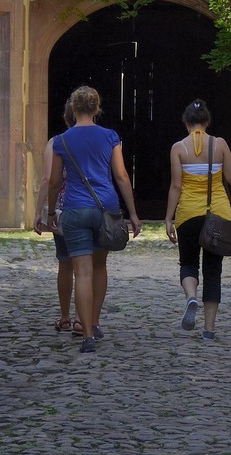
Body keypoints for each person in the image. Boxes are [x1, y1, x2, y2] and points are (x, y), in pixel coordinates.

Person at [47, 84, 141, 355]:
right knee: (100, 268)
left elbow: (54, 182)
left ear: (73, 109)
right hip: (105, 208)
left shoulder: (61, 141)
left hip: (75, 209)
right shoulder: (110, 136)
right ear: (97, 108)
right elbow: (122, 176)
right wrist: (133, 214)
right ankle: (96, 322)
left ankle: (86, 333)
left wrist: (51, 212)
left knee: (82, 272)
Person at [164, 98, 231, 340]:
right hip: (216, 215)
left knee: (188, 263)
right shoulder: (219, 144)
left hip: (187, 214)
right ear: (206, 122)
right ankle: (209, 330)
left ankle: (191, 297)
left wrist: (168, 218)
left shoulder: (178, 148)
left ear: (186, 122)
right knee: (213, 272)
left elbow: (176, 186)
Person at [34, 101, 77, 330]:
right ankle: (83, 319)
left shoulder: (56, 142)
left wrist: (39, 212)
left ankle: (65, 317)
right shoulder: (93, 140)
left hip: (61, 209)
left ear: (65, 116)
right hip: (86, 206)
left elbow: (48, 179)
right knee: (84, 265)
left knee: (65, 263)